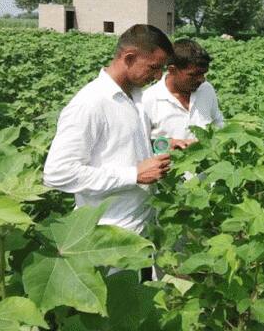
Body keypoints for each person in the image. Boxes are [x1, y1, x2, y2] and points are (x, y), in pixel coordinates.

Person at [43, 24, 173, 235]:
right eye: (153, 67)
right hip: (108, 232)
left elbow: (121, 145)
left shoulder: (136, 95)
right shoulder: (90, 103)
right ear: (129, 58)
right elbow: (58, 173)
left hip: (141, 224)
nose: (159, 77)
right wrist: (133, 175)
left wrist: (161, 146)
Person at [142, 38, 224, 146]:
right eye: (193, 75)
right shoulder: (148, 99)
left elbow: (218, 123)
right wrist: (167, 144)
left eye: (203, 74)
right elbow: (139, 143)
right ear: (172, 70)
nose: (201, 79)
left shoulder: (206, 89)